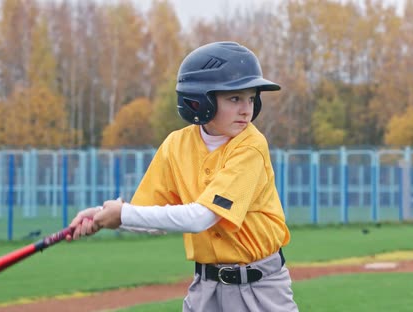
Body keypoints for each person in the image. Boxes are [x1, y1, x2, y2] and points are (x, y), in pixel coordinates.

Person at [67, 41, 299, 312]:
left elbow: (202, 217)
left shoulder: (250, 146)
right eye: (234, 98)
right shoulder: (176, 145)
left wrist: (123, 214)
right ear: (200, 100)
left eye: (250, 98)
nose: (246, 109)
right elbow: (149, 216)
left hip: (260, 289)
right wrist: (100, 216)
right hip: (206, 287)